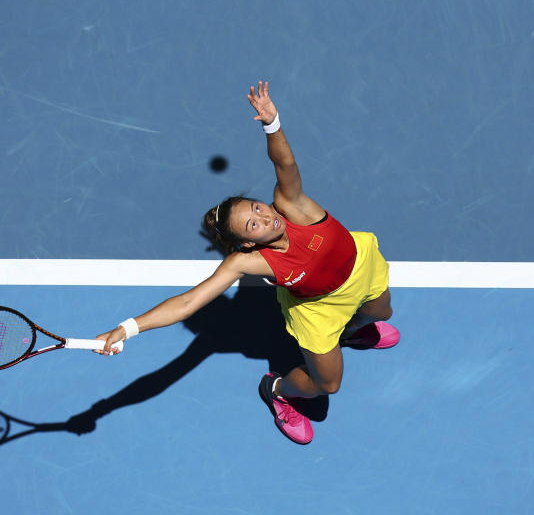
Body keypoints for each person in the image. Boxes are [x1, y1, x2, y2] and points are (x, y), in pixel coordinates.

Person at [93, 81, 399, 445]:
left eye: (257, 208)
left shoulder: (292, 205)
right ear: (249, 242)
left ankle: (349, 332)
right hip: (319, 309)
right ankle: (278, 390)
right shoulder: (247, 263)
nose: (264, 217)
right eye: (253, 224)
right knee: (327, 384)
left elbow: (284, 162)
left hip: (361, 266)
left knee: (382, 313)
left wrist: (272, 124)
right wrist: (126, 328)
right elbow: (189, 302)